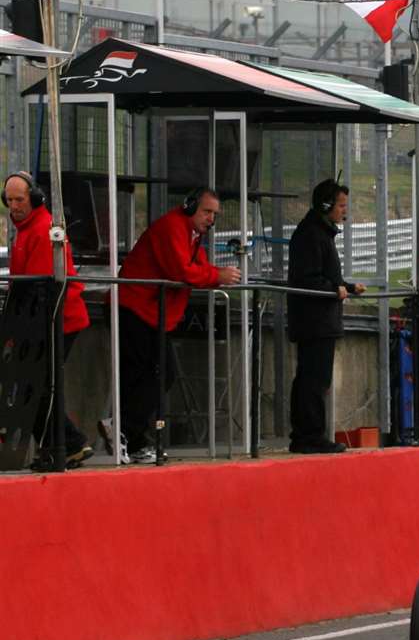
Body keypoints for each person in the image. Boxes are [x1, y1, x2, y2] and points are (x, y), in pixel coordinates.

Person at [114, 187, 242, 463]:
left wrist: (211, 275)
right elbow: (180, 270)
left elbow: (195, 267)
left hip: (152, 312)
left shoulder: (193, 234)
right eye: (207, 211)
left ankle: (131, 437)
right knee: (153, 373)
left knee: (152, 374)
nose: (211, 219)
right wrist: (217, 276)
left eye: (215, 214)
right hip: (138, 307)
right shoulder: (173, 227)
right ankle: (123, 429)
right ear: (190, 206)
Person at [4, 171, 94, 469]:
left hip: (58, 319)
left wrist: (21, 328)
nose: (14, 205)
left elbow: (39, 288)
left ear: (35, 198)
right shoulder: (26, 229)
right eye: (9, 199)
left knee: (40, 386)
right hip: (46, 319)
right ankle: (62, 444)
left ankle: (68, 443)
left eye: (20, 199)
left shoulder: (42, 230)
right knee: (37, 385)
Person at [285, 180, 366, 455]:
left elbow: (325, 276)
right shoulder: (311, 235)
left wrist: (348, 286)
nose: (345, 211)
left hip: (320, 320)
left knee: (317, 379)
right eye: (341, 205)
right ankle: (309, 435)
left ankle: (309, 434)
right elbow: (307, 279)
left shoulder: (320, 234)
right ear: (326, 206)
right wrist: (334, 289)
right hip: (314, 321)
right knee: (313, 380)